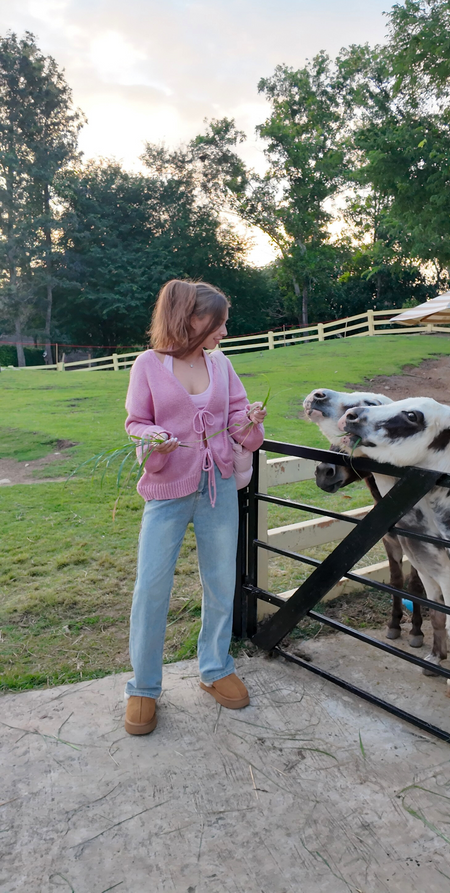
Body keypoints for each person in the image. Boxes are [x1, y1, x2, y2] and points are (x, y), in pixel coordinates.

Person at [123, 279, 266, 735]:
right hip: (166, 493)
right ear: (191, 320)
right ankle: (143, 688)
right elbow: (136, 421)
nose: (224, 330)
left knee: (221, 581)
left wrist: (250, 419)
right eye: (218, 321)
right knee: (151, 587)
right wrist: (154, 438)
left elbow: (238, 421)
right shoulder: (148, 365)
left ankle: (215, 667)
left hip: (219, 487)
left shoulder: (222, 365)